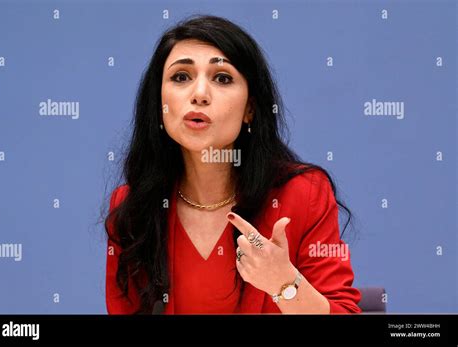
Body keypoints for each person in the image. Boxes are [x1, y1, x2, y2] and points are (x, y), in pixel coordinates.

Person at [105, 14, 361, 314]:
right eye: (181, 77)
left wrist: (284, 284)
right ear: (159, 103)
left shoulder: (304, 194)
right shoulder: (134, 206)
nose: (199, 94)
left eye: (222, 78)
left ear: (250, 109)